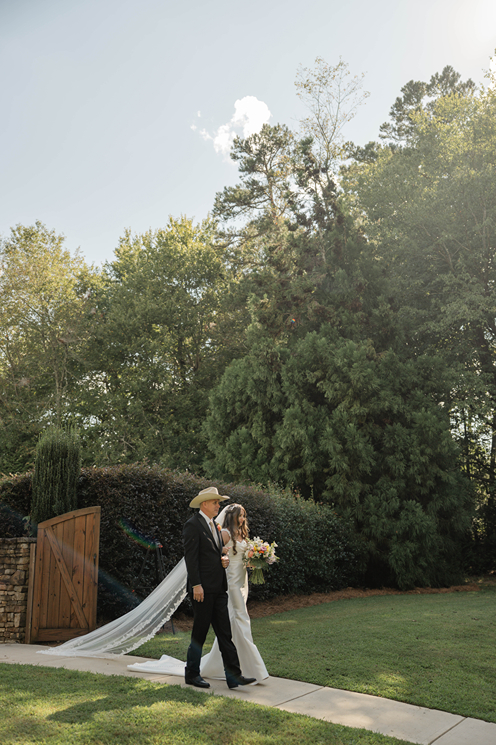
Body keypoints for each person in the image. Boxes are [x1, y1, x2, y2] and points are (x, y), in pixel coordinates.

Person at [182, 487, 256, 689]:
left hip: (219, 588)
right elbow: (192, 559)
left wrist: (222, 560)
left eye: (218, 503)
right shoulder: (192, 525)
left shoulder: (215, 525)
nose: (218, 506)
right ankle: (192, 674)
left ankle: (234, 676)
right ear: (204, 504)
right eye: (215, 502)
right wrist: (196, 585)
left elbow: (213, 554)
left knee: (225, 633)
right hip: (202, 589)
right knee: (200, 633)